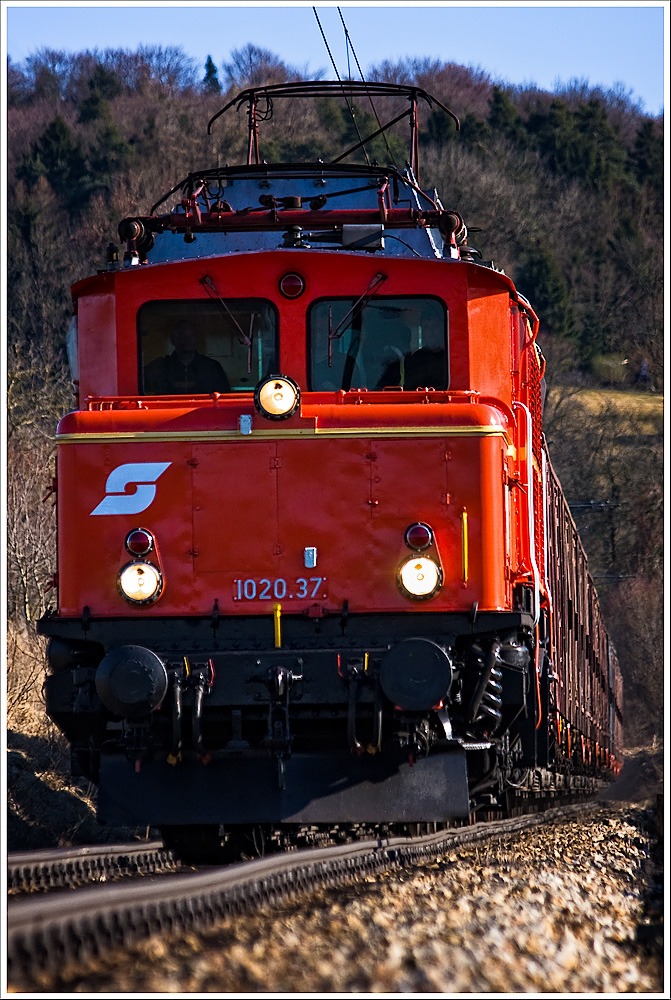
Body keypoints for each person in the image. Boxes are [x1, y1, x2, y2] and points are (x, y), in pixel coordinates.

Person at [143, 322, 230, 394]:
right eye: (182, 335)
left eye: (191, 335)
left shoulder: (212, 367)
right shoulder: (158, 367)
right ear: (173, 339)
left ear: (196, 339)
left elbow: (224, 395)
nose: (187, 339)